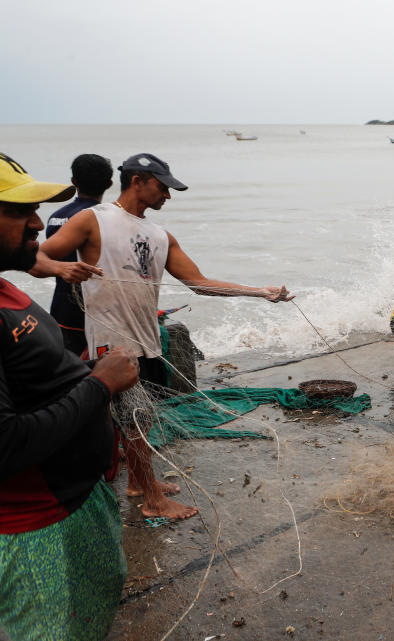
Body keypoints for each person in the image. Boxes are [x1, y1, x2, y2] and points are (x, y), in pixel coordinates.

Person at [36, 153, 293, 521]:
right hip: (110, 339)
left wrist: (259, 291)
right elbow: (38, 256)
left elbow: (200, 283)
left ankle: (138, 484)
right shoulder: (94, 220)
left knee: (136, 419)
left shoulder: (160, 235)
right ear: (138, 180)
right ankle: (153, 499)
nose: (168, 197)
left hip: (145, 339)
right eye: (163, 187)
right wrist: (62, 267)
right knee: (136, 417)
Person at [0, 152, 140, 641]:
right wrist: (99, 383)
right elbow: (6, 446)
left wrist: (80, 372)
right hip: (32, 529)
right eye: (20, 212)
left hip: (74, 503)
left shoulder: (5, 289)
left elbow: (32, 382)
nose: (38, 222)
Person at [45, 154, 114, 356]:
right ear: (109, 184)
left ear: (74, 182)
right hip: (95, 311)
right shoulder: (103, 218)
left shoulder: (56, 216)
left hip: (61, 309)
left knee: (65, 370)